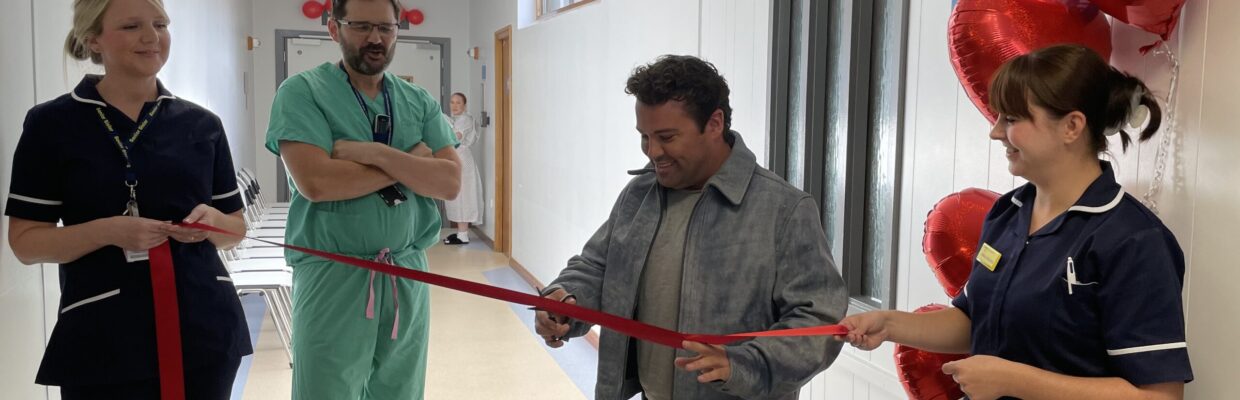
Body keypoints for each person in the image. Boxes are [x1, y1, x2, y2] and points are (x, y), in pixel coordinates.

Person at [839, 44, 1193, 400]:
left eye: (1010, 119)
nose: (994, 132)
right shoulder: (1009, 211)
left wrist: (1015, 381)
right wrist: (889, 324)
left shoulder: (1134, 240)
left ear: (1072, 126)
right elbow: (974, 320)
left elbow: (1159, 396)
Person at [534, 55, 847, 400]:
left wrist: (743, 364)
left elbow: (818, 321)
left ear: (714, 124)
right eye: (644, 137)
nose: (653, 152)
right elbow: (597, 266)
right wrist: (567, 299)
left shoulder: (783, 210)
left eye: (667, 136)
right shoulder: (639, 194)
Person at [4, 0, 251, 398]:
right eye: (132, 26)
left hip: (203, 329)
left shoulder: (202, 125)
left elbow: (234, 229)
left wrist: (210, 223)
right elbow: (26, 243)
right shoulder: (51, 125)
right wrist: (109, 231)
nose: (152, 37)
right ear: (93, 40)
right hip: (103, 338)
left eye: (160, 24)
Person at [263, 0, 461, 398]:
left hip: (406, 270)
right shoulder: (302, 93)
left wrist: (374, 153)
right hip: (334, 273)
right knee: (326, 389)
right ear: (335, 29)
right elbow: (317, 182)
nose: (376, 38)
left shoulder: (416, 100)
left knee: (399, 390)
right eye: (362, 26)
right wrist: (412, 162)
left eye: (386, 28)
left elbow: (449, 182)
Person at [443, 92, 483, 245]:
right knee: (457, 195)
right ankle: (460, 233)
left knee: (464, 195)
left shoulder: (466, 119)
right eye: (452, 102)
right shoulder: (455, 119)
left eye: (458, 103)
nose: (454, 106)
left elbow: (454, 138)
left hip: (462, 159)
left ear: (464, 105)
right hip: (454, 158)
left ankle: (463, 234)